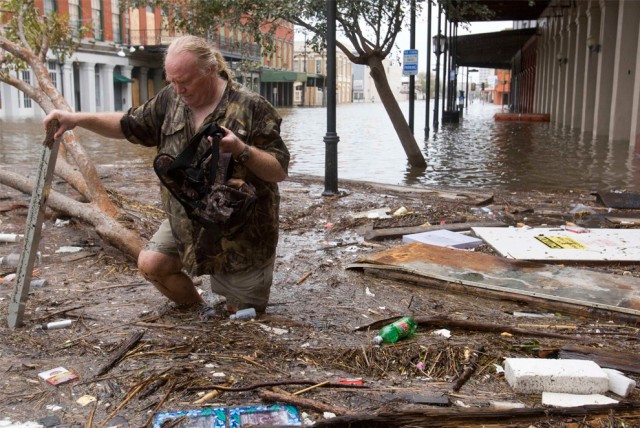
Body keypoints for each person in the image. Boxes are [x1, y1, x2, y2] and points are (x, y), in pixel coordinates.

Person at [44, 35, 290, 319]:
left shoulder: (252, 107)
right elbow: (128, 125)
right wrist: (76, 119)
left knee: (242, 314)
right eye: (171, 80)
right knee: (152, 265)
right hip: (188, 217)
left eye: (184, 81)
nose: (177, 88)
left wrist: (240, 149)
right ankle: (199, 308)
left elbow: (279, 170)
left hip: (241, 233)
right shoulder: (170, 98)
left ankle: (232, 300)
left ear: (210, 70)